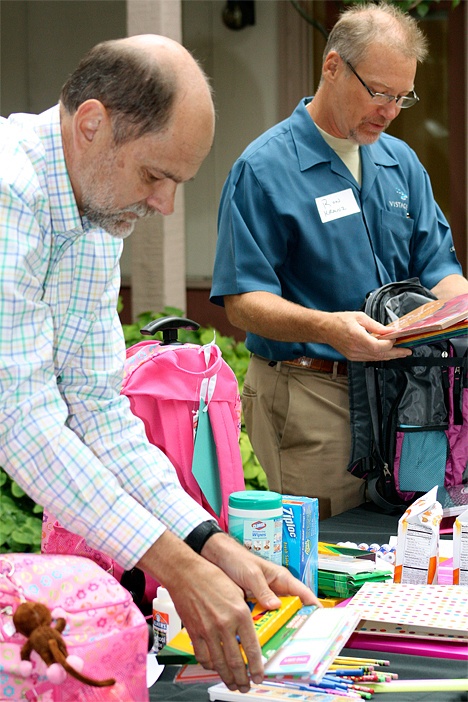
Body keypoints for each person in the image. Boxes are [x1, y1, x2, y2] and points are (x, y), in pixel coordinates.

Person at [0, 34, 318, 693]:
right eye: (155, 175)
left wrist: (208, 542)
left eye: (179, 182)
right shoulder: (10, 194)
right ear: (93, 124)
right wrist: (175, 565)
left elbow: (97, 411)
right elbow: (20, 420)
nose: (166, 205)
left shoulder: (91, 215)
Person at [210, 3, 468, 521]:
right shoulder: (263, 169)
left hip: (404, 398)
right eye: (378, 92)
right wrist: (329, 328)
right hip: (312, 394)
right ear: (332, 66)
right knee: (325, 554)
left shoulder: (402, 161)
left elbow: (439, 269)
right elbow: (243, 301)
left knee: (405, 545)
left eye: (402, 97)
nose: (390, 111)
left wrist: (460, 309)